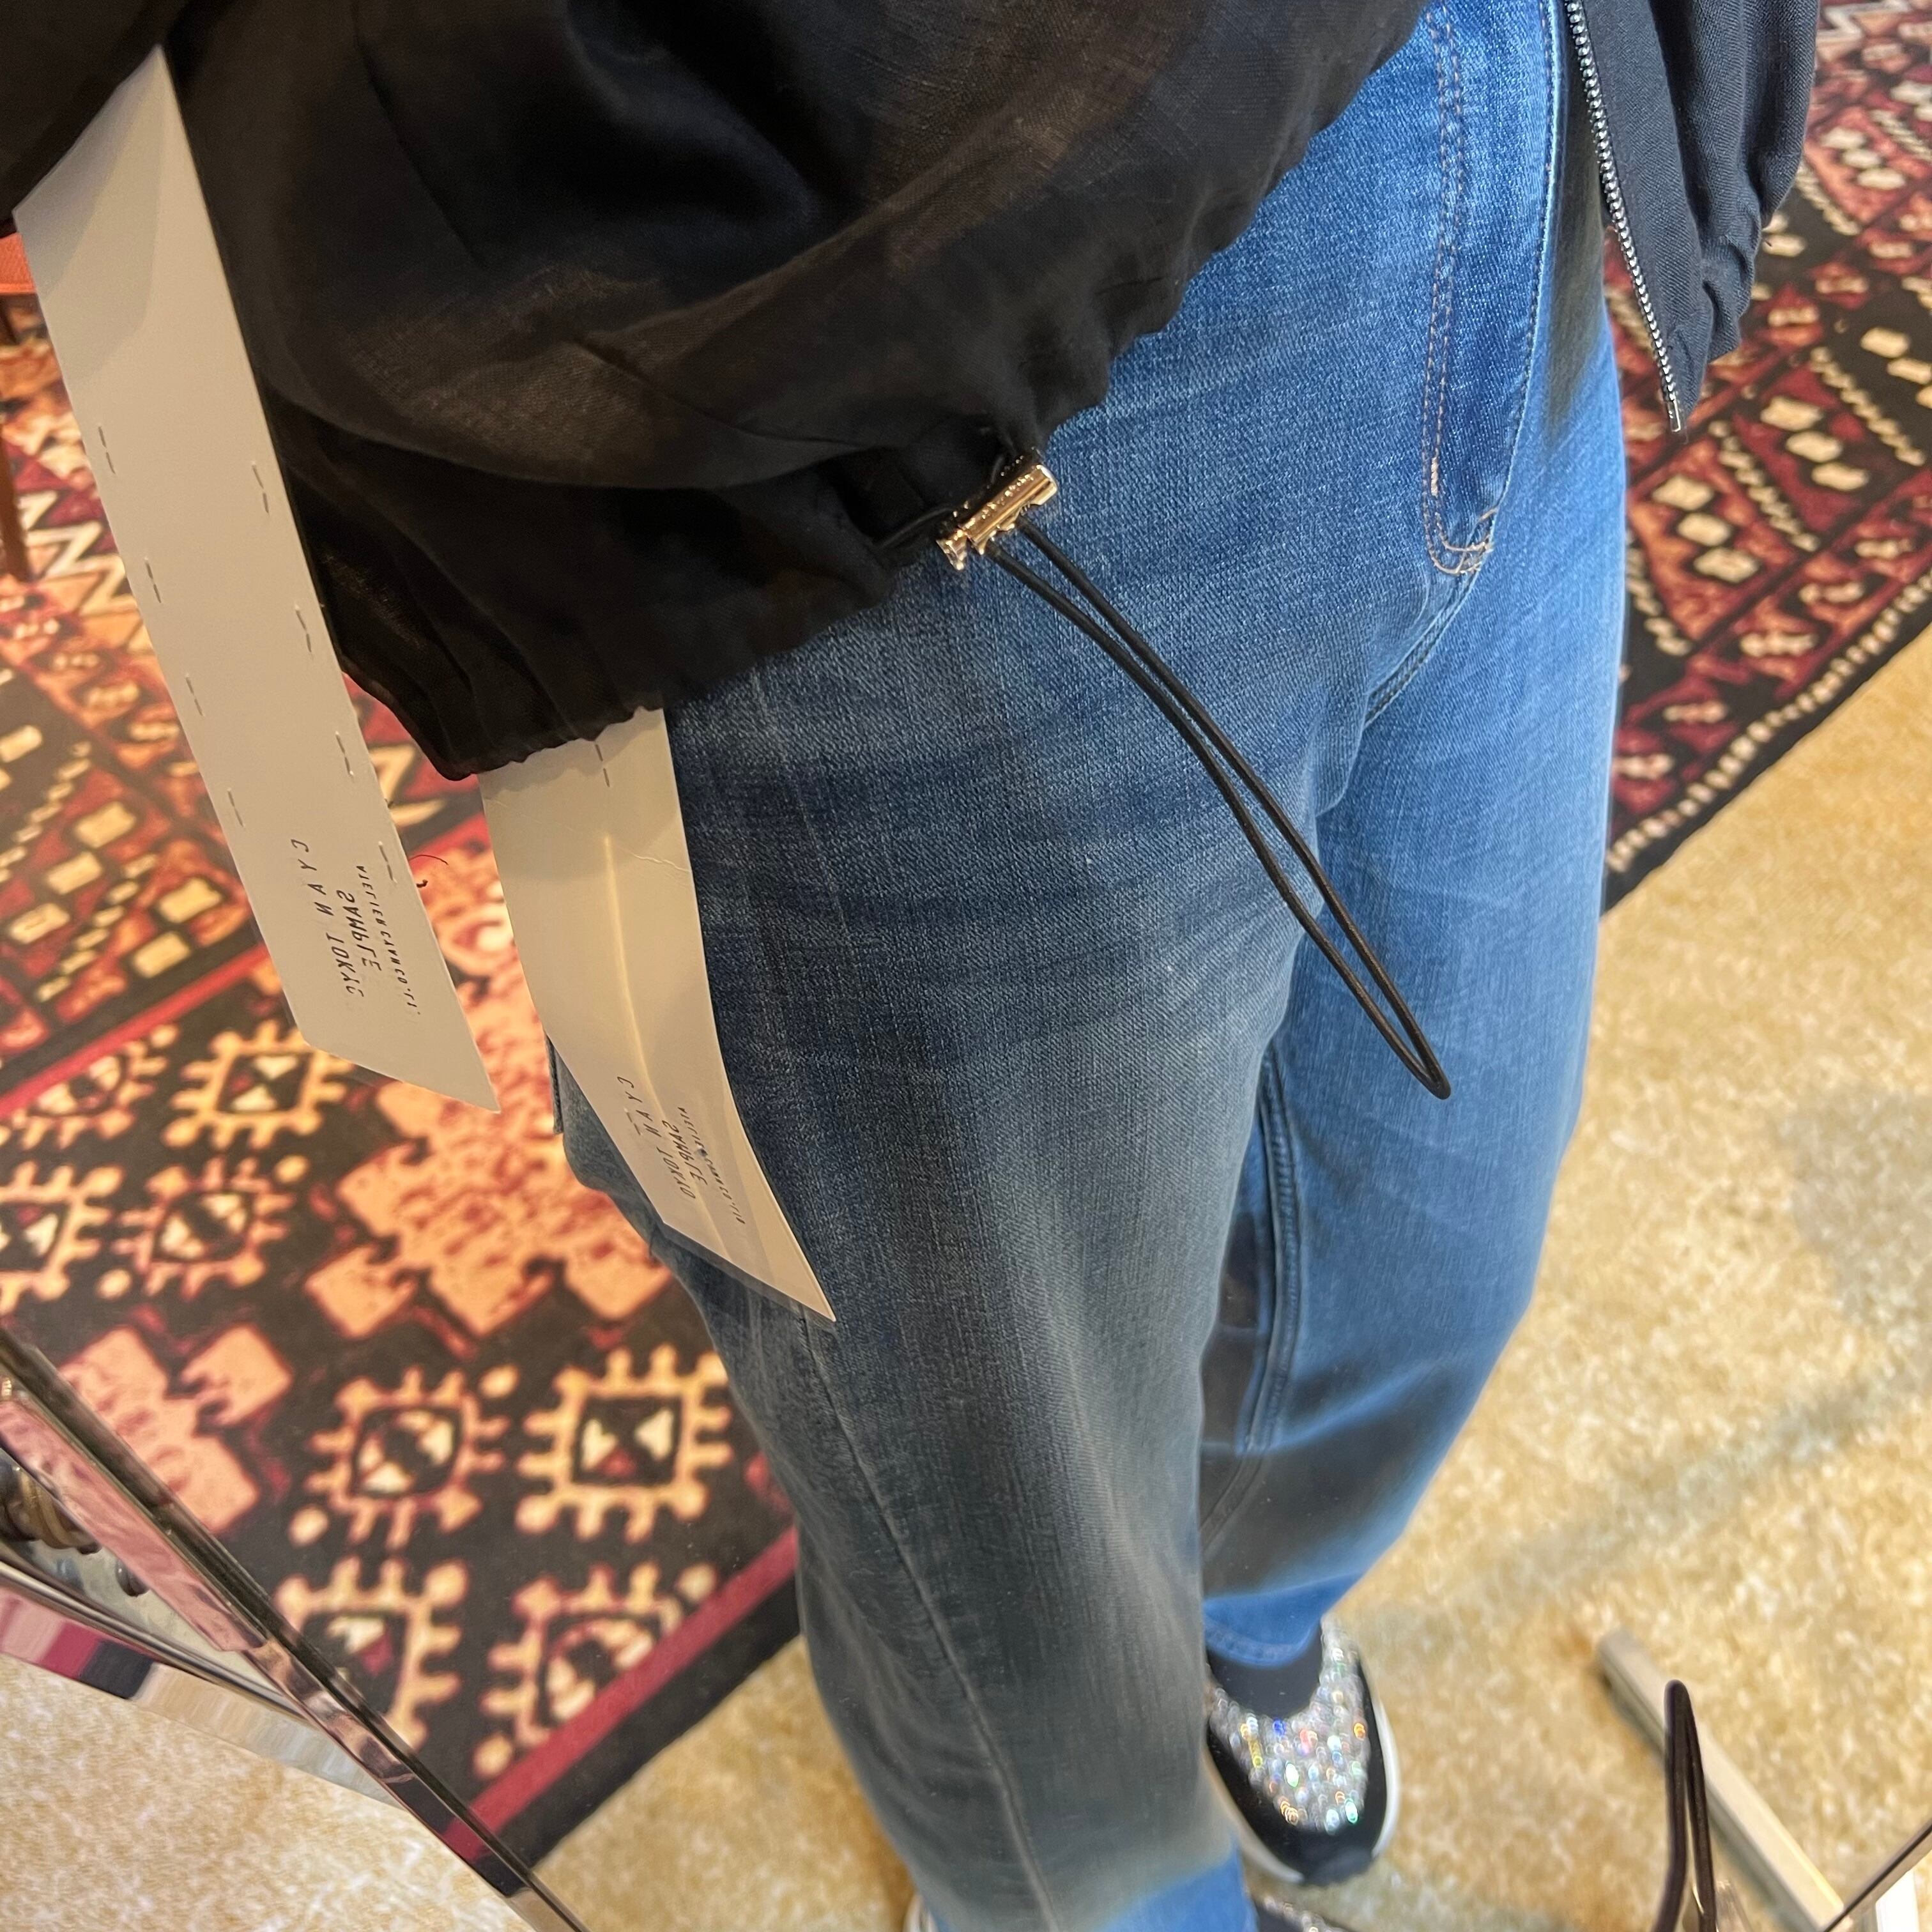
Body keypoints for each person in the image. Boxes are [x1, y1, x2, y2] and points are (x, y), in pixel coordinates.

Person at [2, 1, 1812, 1926]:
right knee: (1017, 1544)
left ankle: (1246, 1617)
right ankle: (1071, 1889)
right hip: (849, 305)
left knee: (1428, 1246)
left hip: (1502, 102)